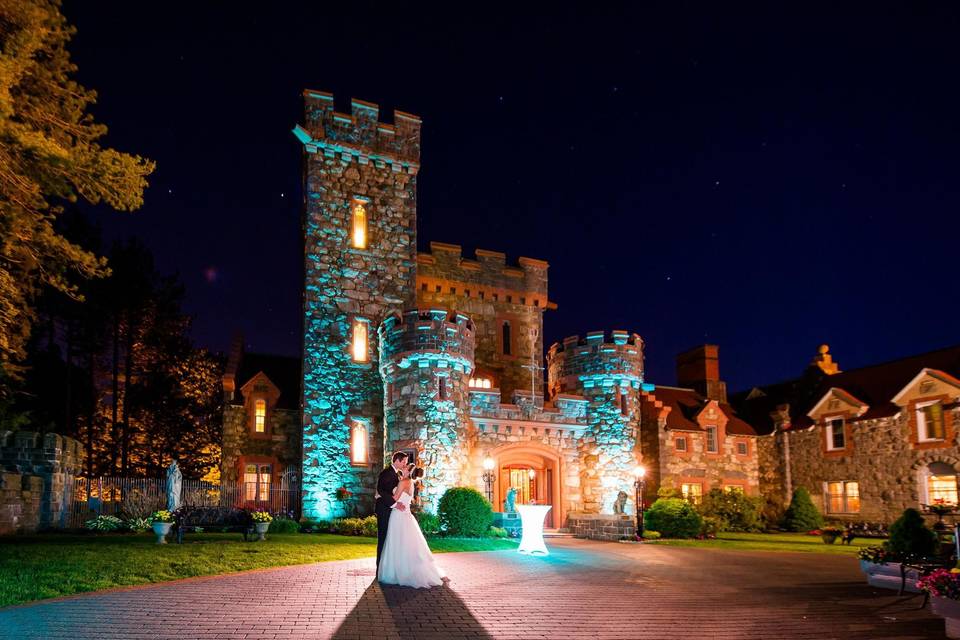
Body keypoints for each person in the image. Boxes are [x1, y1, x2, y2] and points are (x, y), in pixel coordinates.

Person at [377, 465, 445, 588]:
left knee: (397, 543)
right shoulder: (410, 482)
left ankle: (398, 573)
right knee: (406, 544)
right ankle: (405, 570)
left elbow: (395, 498)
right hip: (406, 515)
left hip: (398, 515)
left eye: (406, 466)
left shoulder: (403, 482)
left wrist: (380, 495)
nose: (404, 466)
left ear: (408, 471)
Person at [375, 451, 408, 569]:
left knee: (389, 538)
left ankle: (386, 566)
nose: (405, 464)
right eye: (404, 461)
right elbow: (381, 490)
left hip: (390, 510)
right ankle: (380, 567)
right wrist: (394, 504)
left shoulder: (396, 474)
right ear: (397, 460)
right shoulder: (387, 473)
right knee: (383, 538)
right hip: (384, 509)